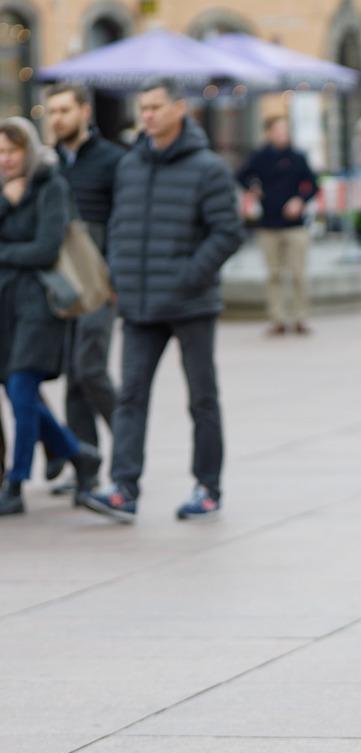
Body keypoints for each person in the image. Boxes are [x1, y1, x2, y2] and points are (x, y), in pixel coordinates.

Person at [81, 78, 242, 524]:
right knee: (130, 394)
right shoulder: (130, 165)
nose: (146, 115)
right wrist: (116, 273)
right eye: (143, 107)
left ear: (179, 109)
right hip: (138, 305)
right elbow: (118, 225)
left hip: (191, 305)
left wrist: (189, 277)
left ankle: (207, 487)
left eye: (155, 106)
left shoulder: (208, 167)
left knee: (201, 398)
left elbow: (228, 232)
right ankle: (123, 489)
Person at [0, 117, 100, 516]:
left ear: (29, 150)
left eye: (12, 151)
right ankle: (79, 454)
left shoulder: (51, 185)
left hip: (41, 304)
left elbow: (45, 248)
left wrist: (5, 252)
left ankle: (16, 481)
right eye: (0, 153)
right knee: (14, 390)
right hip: (5, 305)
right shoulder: (3, 190)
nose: (5, 160)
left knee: (23, 386)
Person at [46, 82, 125, 496]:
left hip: (100, 280)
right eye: (52, 112)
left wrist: (116, 276)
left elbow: (124, 222)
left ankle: (128, 450)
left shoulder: (114, 159)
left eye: (64, 110)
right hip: (61, 282)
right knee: (74, 376)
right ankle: (86, 467)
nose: (57, 119)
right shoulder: (50, 163)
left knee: (90, 368)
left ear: (84, 111)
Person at [236, 115, 318, 336]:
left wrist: (300, 200)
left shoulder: (298, 156)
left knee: (298, 273)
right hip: (269, 223)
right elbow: (241, 175)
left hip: (295, 225)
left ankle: (301, 317)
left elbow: (312, 184)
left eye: (285, 130)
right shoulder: (260, 156)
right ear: (269, 133)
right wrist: (253, 189)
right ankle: (278, 318)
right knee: (273, 274)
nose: (282, 134)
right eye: (278, 130)